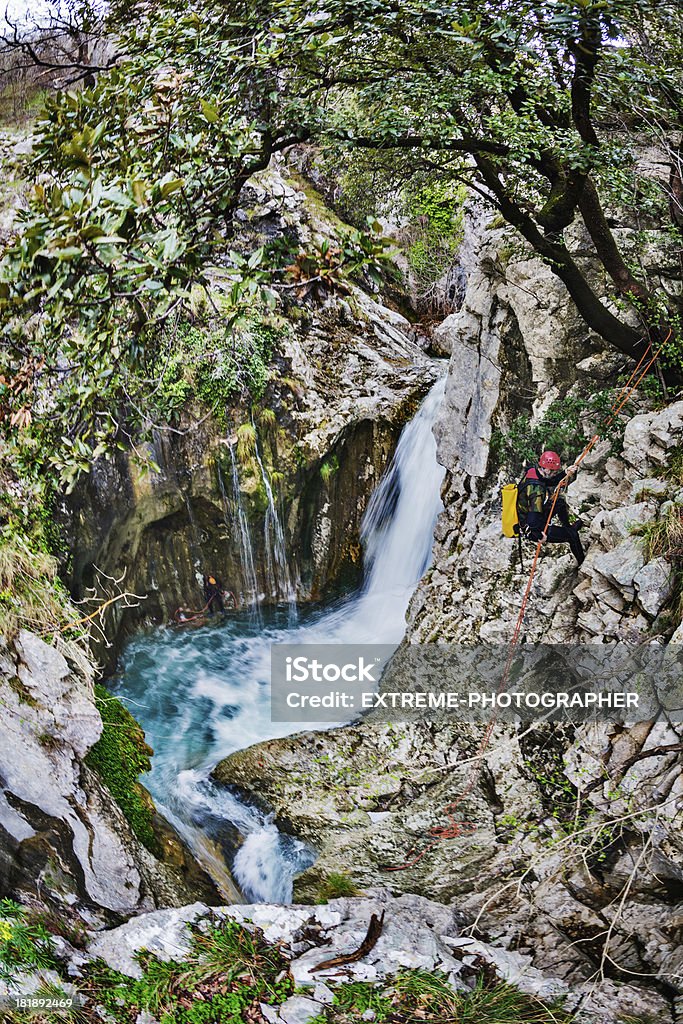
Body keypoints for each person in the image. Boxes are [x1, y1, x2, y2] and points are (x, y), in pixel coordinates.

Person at [517, 451, 585, 565]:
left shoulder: (533, 472)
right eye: (554, 472)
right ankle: (582, 563)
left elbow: (549, 481)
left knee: (559, 503)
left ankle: (567, 527)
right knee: (573, 536)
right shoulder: (536, 490)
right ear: (547, 469)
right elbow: (533, 520)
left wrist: (565, 473)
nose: (555, 474)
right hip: (532, 528)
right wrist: (539, 536)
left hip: (530, 517)